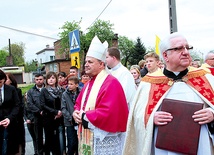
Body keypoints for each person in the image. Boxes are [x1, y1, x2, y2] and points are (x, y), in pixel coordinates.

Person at [123, 32, 214, 155]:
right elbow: (136, 116)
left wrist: (212, 113)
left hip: (200, 145)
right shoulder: (149, 83)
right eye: (179, 48)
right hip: (163, 147)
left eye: (187, 47)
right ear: (165, 55)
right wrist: (151, 118)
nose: (186, 52)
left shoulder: (205, 77)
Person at [72, 36, 129, 155]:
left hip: (103, 139)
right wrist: (76, 113)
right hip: (88, 137)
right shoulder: (88, 84)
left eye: (90, 62)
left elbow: (109, 112)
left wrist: (84, 115)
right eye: (86, 62)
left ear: (101, 64)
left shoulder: (111, 83)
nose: (86, 65)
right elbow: (79, 103)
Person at [40, 71, 65, 155]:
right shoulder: (44, 90)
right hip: (48, 117)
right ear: (46, 80)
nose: (51, 80)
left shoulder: (60, 90)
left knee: (58, 138)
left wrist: (60, 113)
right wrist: (55, 112)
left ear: (56, 79)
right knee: (49, 138)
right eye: (49, 78)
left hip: (59, 117)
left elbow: (63, 102)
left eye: (53, 78)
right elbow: (42, 105)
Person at [0, 70, 20, 155]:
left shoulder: (11, 89)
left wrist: (9, 118)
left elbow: (17, 105)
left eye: (0, 82)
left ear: (4, 80)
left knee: (9, 148)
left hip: (10, 121)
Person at [5, 73, 25, 155]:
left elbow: (19, 106)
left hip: (16, 120)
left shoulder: (16, 91)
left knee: (18, 141)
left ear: (11, 80)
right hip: (5, 119)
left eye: (6, 79)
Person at [61, 76, 80, 155]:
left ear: (77, 85)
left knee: (79, 142)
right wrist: (71, 117)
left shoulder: (81, 92)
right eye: (68, 84)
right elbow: (63, 108)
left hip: (79, 121)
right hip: (70, 122)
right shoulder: (65, 94)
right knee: (71, 142)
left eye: (71, 84)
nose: (69, 86)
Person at [27, 73, 45, 155]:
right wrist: (39, 111)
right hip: (37, 117)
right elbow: (30, 104)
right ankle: (39, 152)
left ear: (43, 79)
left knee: (49, 136)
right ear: (35, 80)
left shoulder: (47, 89)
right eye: (37, 79)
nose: (39, 81)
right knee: (38, 137)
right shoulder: (31, 91)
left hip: (47, 116)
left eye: (40, 79)